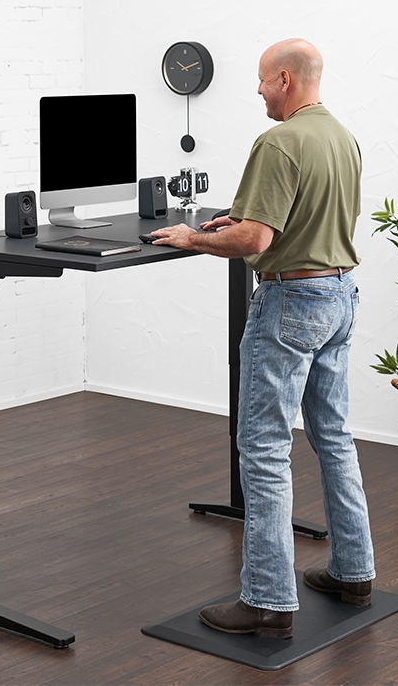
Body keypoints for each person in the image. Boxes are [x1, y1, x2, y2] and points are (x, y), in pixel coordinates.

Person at [151, 38, 375, 639]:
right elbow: (295, 217)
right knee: (334, 437)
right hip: (338, 294)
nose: (255, 91)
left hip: (290, 302)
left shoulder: (280, 141)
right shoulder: (341, 137)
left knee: (265, 447)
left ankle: (268, 600)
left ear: (284, 78)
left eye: (259, 81)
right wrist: (239, 221)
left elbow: (256, 241)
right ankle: (355, 572)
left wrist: (193, 237)